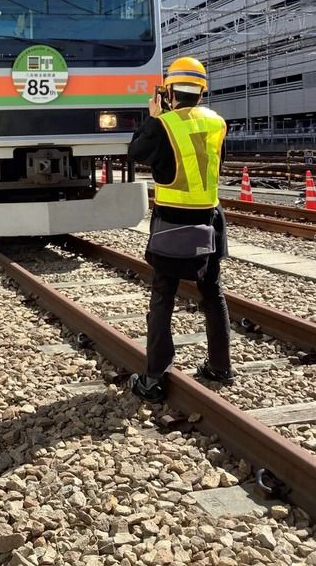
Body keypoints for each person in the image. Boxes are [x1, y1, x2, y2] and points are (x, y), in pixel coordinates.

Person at [127, 56, 234, 402]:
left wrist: (153, 118)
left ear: (169, 91)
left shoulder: (164, 125)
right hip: (210, 221)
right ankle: (220, 366)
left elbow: (135, 153)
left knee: (163, 298)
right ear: (201, 92)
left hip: (173, 223)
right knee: (213, 293)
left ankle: (155, 378)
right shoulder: (218, 123)